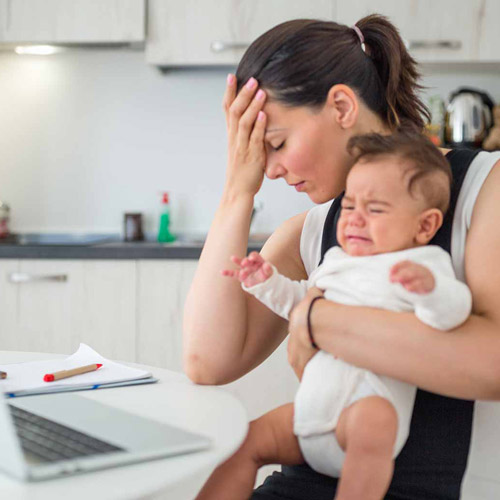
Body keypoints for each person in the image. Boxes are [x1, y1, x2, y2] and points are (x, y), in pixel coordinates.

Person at [183, 13, 500, 500]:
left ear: (341, 105)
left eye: (277, 144)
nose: (269, 170)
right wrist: (236, 190)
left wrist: (313, 318)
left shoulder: (486, 187)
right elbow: (209, 362)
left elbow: (491, 364)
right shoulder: (308, 231)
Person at [195, 132, 472, 500]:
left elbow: (454, 311)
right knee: (246, 440)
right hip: (312, 411)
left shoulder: (423, 265)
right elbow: (303, 305)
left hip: (364, 412)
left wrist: (430, 291)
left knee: (375, 427)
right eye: (350, 206)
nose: (355, 220)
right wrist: (266, 282)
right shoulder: (337, 260)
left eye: (374, 210)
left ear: (424, 226)